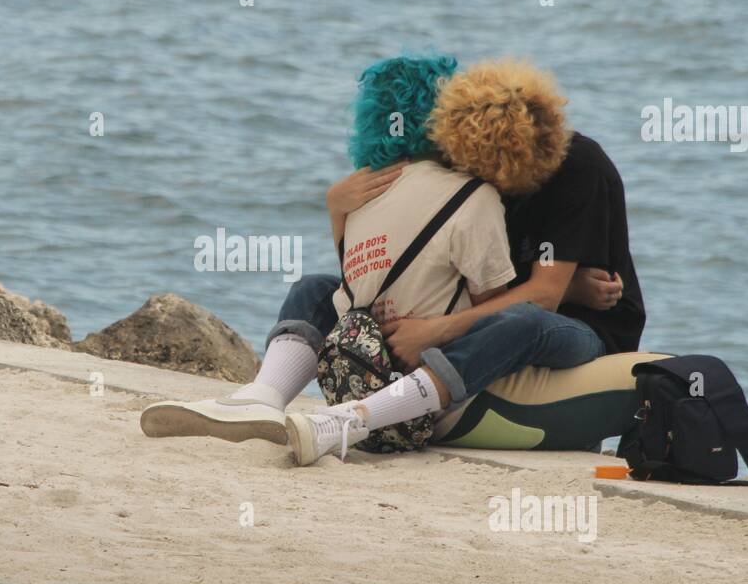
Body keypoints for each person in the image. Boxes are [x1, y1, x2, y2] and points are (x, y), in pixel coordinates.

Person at [141, 54, 513, 449]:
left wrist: (336, 211)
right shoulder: (474, 197)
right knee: (518, 319)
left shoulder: (357, 193)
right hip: (423, 400)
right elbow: (492, 309)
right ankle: (292, 408)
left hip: (355, 376)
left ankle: (264, 395)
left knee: (315, 287)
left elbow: (355, 288)